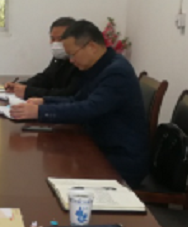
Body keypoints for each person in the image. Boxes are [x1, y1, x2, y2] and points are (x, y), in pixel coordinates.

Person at [11, 20, 149, 187]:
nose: (70, 61)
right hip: (99, 146)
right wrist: (44, 101)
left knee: (53, 176)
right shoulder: (98, 67)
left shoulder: (117, 72)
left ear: (91, 47)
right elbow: (77, 99)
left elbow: (88, 109)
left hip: (119, 159)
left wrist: (39, 112)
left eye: (72, 54)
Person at [4, 16, 81, 100]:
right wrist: (20, 85)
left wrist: (28, 91)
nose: (55, 43)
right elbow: (45, 78)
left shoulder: (80, 62)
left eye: (60, 39)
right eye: (52, 39)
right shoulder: (59, 57)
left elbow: (67, 94)